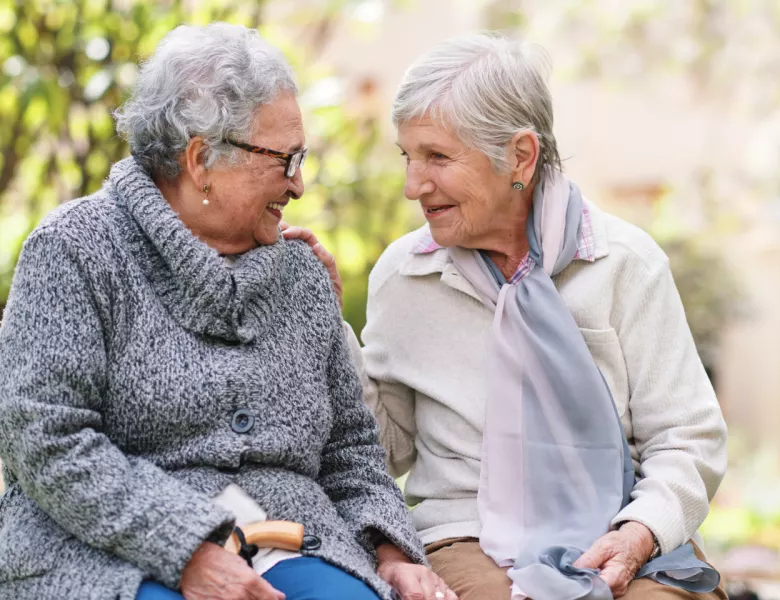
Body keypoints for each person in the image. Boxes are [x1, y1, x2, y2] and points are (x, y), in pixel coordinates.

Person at [0, 23, 455, 600]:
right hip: (106, 547)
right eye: (284, 160)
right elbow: (47, 439)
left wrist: (394, 553)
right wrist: (186, 547)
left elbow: (349, 448)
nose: (299, 185)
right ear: (200, 160)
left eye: (302, 158)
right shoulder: (75, 251)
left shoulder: (299, 272)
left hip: (292, 536)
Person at [285, 32, 729, 600]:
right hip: (464, 535)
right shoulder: (405, 276)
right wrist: (327, 325)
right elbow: (384, 448)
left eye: (438, 157)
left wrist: (639, 533)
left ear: (519, 156)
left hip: (620, 528)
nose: (412, 185)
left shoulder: (625, 264)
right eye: (408, 156)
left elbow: (686, 438)